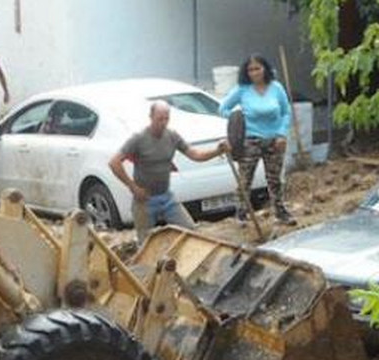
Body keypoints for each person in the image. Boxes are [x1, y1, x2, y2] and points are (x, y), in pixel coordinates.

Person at [109, 101, 228, 242]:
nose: (163, 123)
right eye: (160, 119)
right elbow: (114, 163)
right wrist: (133, 187)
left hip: (166, 197)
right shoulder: (138, 139)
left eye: (166, 119)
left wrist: (217, 150)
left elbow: (195, 155)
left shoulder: (172, 136)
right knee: (146, 243)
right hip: (144, 200)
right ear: (151, 117)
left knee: (191, 232)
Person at [219, 54, 297, 225]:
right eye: (250, 69)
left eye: (257, 68)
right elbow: (223, 108)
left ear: (265, 69)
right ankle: (241, 212)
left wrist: (282, 134)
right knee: (245, 179)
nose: (254, 73)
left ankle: (280, 211)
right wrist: (238, 119)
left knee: (275, 179)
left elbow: (286, 112)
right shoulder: (242, 89)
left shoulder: (276, 87)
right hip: (250, 140)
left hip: (275, 140)